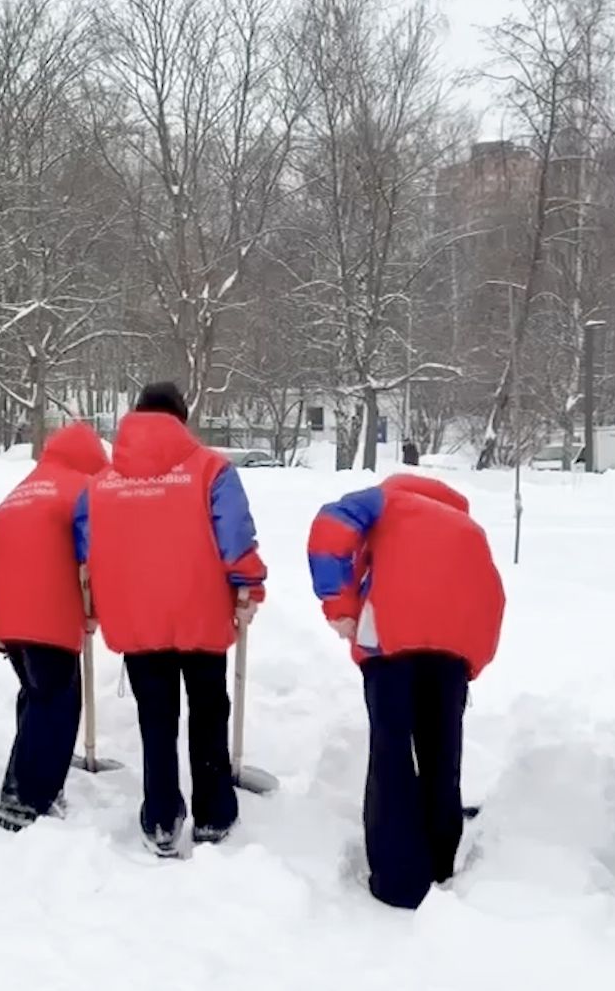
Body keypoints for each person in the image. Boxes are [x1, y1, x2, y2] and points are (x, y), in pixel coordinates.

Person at [74, 382, 266, 857]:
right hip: (202, 614)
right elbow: (235, 536)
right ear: (182, 420)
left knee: (155, 719)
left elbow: (88, 549)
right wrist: (250, 584)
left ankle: (160, 818)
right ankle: (213, 814)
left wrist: (96, 604)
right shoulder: (211, 470)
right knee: (207, 712)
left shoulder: (101, 483)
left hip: (137, 620)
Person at [307, 474, 505, 909]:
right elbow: (493, 598)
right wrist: (473, 661)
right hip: (453, 654)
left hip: (390, 641)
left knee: (392, 753)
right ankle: (439, 865)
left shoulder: (386, 501)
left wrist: (338, 605)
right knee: (441, 755)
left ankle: (397, 880)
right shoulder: (468, 529)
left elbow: (330, 526)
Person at [0, 421, 109, 831]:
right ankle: (27, 799)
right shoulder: (82, 491)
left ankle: (23, 782)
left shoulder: (22, 490)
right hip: (50, 612)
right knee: (57, 704)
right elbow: (94, 555)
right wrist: (97, 610)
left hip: (8, 613)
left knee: (36, 696)